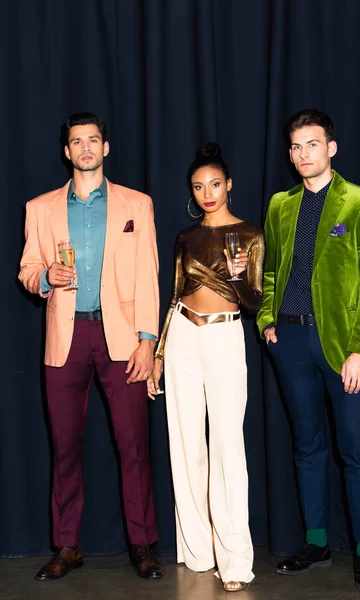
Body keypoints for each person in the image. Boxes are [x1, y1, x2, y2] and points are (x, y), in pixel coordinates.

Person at [19, 112, 163, 581]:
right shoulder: (39, 208)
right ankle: (67, 545)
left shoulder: (136, 204)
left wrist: (148, 340)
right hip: (66, 337)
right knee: (64, 446)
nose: (85, 148)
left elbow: (148, 274)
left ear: (105, 148)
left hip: (120, 338)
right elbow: (26, 269)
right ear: (67, 151)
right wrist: (43, 276)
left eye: (92, 140)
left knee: (134, 446)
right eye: (76, 141)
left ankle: (142, 545)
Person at [257, 109, 360, 591]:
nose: (302, 154)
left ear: (331, 148)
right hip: (290, 341)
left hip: (341, 347)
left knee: (355, 450)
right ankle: (315, 541)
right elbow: (271, 272)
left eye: (311, 144)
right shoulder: (279, 205)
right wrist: (268, 321)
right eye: (295, 147)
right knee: (307, 446)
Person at [148, 142, 264, 592]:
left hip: (223, 333)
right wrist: (157, 356)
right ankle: (198, 550)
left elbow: (254, 303)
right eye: (198, 186)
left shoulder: (249, 234)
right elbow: (174, 295)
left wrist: (238, 276)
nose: (207, 193)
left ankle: (235, 561)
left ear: (229, 184)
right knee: (185, 442)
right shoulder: (186, 237)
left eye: (214, 184)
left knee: (228, 446)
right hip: (182, 333)